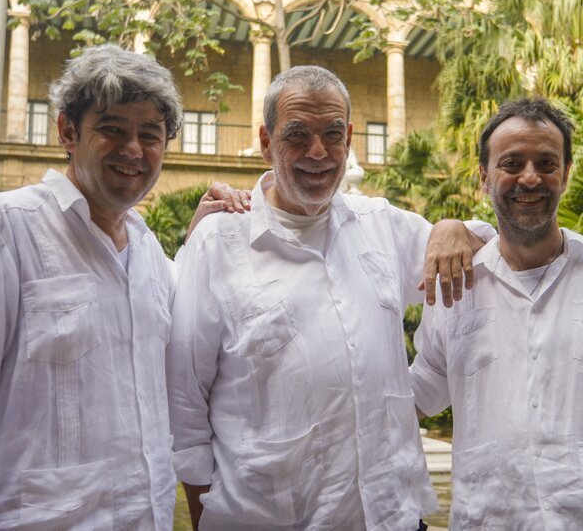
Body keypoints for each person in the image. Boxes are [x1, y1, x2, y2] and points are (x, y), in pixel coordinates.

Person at [0, 44, 247, 531]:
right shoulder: (4, 230)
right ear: (67, 131)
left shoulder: (148, 255)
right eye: (112, 129)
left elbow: (196, 336)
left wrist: (203, 236)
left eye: (151, 135)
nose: (133, 150)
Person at [168, 65, 491, 530]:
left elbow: (484, 253)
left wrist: (450, 227)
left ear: (349, 138)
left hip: (391, 517)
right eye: (297, 135)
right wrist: (205, 516)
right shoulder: (217, 243)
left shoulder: (382, 224)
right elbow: (185, 405)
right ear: (266, 141)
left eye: (332, 134)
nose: (317, 152)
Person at [410, 97, 583, 531]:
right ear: (485, 178)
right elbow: (416, 397)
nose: (530, 177)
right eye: (512, 163)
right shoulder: (456, 289)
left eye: (546, 162)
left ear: (564, 173)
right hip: (491, 521)